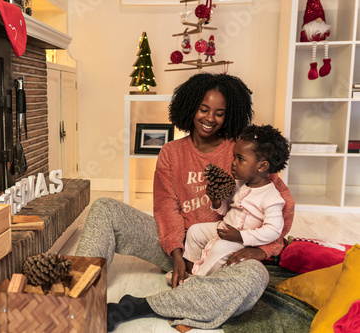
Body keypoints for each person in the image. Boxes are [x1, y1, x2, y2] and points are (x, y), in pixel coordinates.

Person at [75, 73, 295, 331]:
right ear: (190, 107)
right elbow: (166, 208)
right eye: (203, 109)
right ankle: (75, 295)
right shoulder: (171, 153)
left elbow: (281, 205)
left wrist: (263, 250)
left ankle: (140, 305)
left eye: (219, 113)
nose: (210, 118)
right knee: (105, 208)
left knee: (257, 277)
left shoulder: (242, 152)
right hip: (179, 247)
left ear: (230, 115)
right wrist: (177, 255)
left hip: (225, 253)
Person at [181, 124, 290, 278]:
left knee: (219, 248)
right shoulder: (240, 184)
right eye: (234, 157)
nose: (233, 163)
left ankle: (199, 279)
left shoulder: (272, 198)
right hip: (224, 227)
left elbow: (273, 230)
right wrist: (217, 202)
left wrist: (241, 236)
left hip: (242, 240)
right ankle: (191, 269)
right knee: (194, 231)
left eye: (240, 159)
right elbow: (228, 210)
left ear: (262, 166)